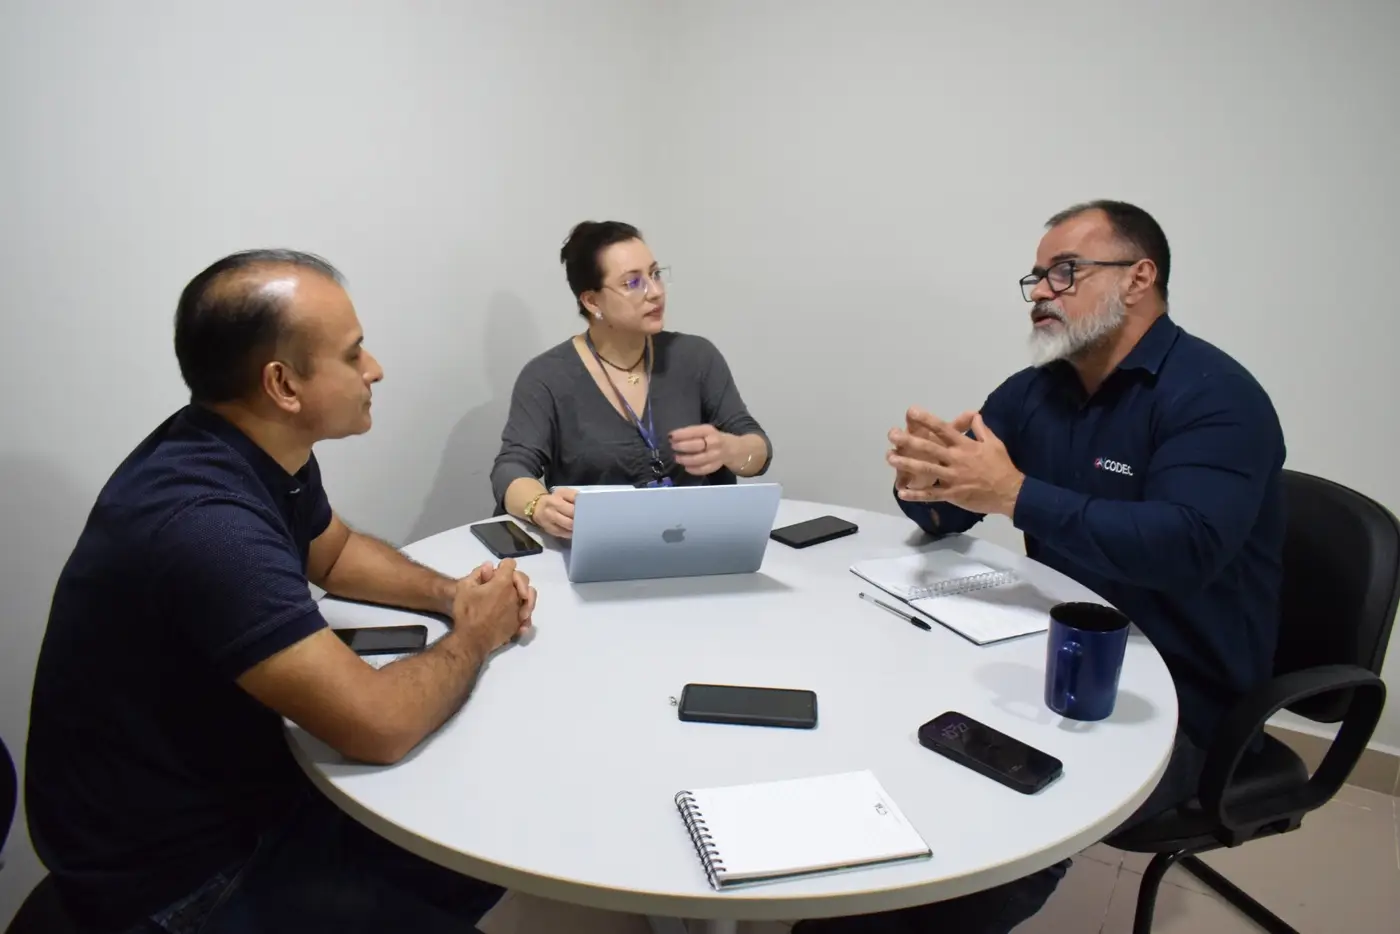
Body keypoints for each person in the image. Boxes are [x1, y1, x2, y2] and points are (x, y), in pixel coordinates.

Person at [798, 201, 1287, 933]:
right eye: (1036, 277)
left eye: (1066, 272)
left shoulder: (1216, 398)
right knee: (881, 705)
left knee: (993, 817)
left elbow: (1187, 548)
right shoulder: (1038, 390)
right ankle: (844, 878)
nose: (1041, 293)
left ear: (1139, 278)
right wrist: (926, 485)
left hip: (1180, 698)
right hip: (1047, 650)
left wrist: (1015, 494)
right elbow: (956, 507)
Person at [25, 250, 538, 934]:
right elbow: (379, 726)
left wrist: (452, 596)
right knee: (457, 827)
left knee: (482, 835)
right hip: (180, 874)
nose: (375, 368)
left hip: (246, 790)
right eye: (353, 354)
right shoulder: (208, 526)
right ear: (284, 385)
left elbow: (336, 552)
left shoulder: (249, 447)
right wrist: (477, 632)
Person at [491, 221, 772, 538]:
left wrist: (731, 449)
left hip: (694, 541)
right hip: (599, 546)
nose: (656, 292)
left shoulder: (695, 357)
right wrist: (538, 506)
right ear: (592, 302)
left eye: (655, 274)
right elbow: (511, 468)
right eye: (633, 282)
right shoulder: (546, 377)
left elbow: (758, 451)